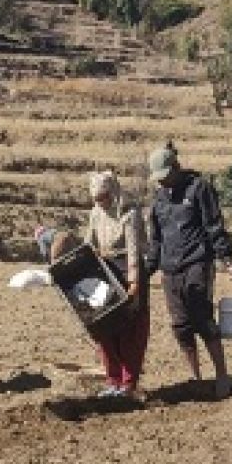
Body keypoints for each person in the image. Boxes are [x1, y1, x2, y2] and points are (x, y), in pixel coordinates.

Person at [144, 143, 232, 399]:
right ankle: (195, 377)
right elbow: (156, 241)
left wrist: (227, 259)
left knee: (203, 319)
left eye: (166, 176)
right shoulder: (159, 200)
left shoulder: (199, 188)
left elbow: (213, 225)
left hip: (197, 263)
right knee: (181, 326)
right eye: (159, 178)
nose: (162, 182)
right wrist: (145, 272)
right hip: (170, 270)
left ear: (176, 167)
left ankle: (221, 375)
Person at [83, 170, 150, 401]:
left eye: (104, 197)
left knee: (130, 330)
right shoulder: (95, 214)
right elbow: (88, 243)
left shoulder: (129, 214)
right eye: (96, 198)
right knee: (105, 329)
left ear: (113, 192)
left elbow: (133, 249)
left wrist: (134, 282)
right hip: (105, 271)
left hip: (128, 271)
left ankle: (128, 383)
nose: (100, 202)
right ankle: (113, 380)